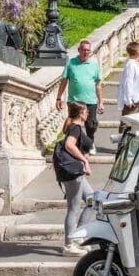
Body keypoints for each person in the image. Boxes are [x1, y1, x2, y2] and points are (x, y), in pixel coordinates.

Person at [55, 39, 103, 154]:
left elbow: (98, 85)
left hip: (90, 100)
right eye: (84, 50)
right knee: (74, 125)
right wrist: (58, 98)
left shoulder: (94, 64)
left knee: (91, 125)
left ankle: (90, 143)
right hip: (75, 101)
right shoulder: (71, 63)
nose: (86, 52)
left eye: (88, 50)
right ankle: (73, 145)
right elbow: (64, 81)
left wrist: (101, 101)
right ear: (79, 50)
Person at [60, 102, 94, 257]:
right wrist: (84, 160)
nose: (88, 113)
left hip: (76, 173)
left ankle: (79, 235)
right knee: (73, 208)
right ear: (81, 112)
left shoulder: (77, 127)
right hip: (74, 173)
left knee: (92, 200)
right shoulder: (75, 128)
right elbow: (69, 145)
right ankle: (68, 245)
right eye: (86, 111)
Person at [117, 41, 139, 128]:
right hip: (132, 100)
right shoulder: (130, 65)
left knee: (134, 123)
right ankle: (123, 140)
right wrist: (128, 100)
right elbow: (128, 82)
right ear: (136, 52)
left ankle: (131, 140)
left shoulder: (135, 63)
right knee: (127, 123)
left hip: (137, 98)